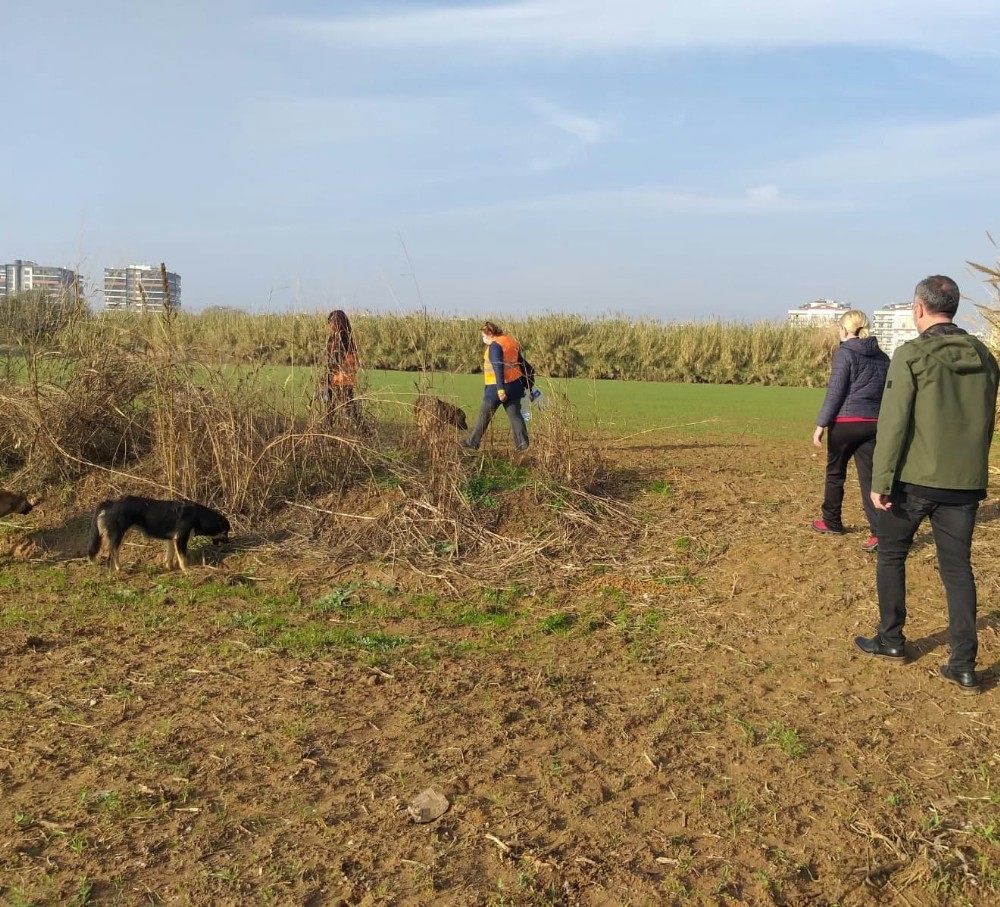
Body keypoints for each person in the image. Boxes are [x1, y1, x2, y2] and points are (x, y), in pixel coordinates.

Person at [854, 276, 999, 693]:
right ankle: (964, 663)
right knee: (957, 570)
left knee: (892, 554)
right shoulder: (985, 357)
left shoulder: (911, 354)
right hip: (966, 483)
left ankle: (891, 638)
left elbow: (894, 423)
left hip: (914, 481)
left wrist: (880, 481)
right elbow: (986, 420)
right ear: (953, 307)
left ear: (919, 308)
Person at [811, 310, 890, 551]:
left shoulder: (845, 353)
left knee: (836, 473)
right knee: (871, 478)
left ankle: (832, 521)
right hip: (873, 423)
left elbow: (835, 393)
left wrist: (821, 424)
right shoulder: (884, 357)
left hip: (846, 423)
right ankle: (879, 533)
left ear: (845, 330)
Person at [462, 321, 529, 452]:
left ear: (490, 334)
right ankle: (523, 447)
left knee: (484, 415)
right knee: (516, 417)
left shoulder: (495, 346)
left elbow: (498, 367)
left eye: (484, 336)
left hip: (497, 386)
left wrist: (500, 389)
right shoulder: (509, 341)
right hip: (516, 384)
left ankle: (472, 443)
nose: (483, 339)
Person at [325, 309, 362, 427]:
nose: (329, 325)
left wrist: (328, 375)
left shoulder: (343, 340)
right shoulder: (337, 339)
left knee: (342, 405)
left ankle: (326, 428)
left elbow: (337, 361)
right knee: (341, 405)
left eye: (331, 322)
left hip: (341, 377)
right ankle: (363, 429)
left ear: (337, 322)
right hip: (340, 377)